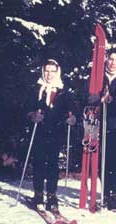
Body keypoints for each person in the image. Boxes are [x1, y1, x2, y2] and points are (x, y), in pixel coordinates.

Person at [27, 59, 77, 211]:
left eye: (52, 71)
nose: (49, 74)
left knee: (53, 164)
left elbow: (70, 110)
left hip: (55, 131)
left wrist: (71, 118)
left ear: (57, 72)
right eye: (46, 71)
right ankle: (38, 194)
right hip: (39, 130)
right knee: (39, 162)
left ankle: (51, 194)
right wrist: (32, 115)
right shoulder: (36, 89)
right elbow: (27, 108)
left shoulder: (62, 91)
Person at [89, 47, 116, 211]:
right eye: (111, 59)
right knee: (101, 158)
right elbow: (87, 94)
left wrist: (113, 100)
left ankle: (115, 193)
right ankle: (105, 192)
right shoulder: (98, 76)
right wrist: (96, 98)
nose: (113, 63)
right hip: (100, 122)